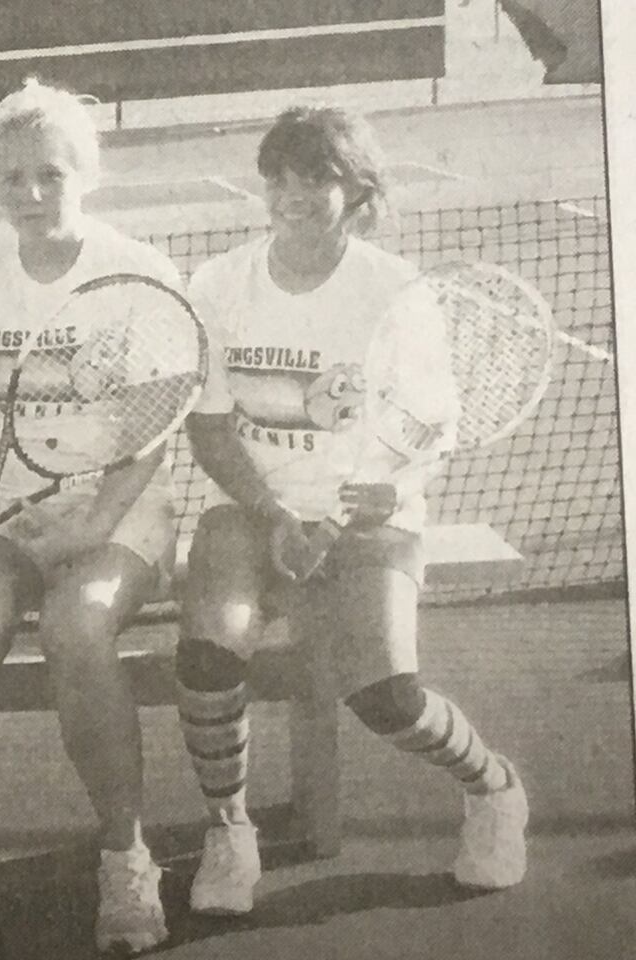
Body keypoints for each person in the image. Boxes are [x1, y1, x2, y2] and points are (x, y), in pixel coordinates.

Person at [174, 105, 528, 917]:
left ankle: (494, 787)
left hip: (376, 519)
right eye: (281, 177)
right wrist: (273, 515)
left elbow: (428, 427)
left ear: (356, 190)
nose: (294, 194)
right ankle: (229, 830)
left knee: (385, 694)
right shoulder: (220, 284)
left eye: (317, 178)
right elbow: (210, 426)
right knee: (206, 656)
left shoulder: (396, 293)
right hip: (251, 512)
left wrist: (385, 491)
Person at [0, 79, 180, 954]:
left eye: (49, 174)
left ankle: (126, 861)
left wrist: (93, 527)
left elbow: (153, 429)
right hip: (8, 516)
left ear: (85, 171)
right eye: (11, 178)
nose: (31, 195)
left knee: (77, 627)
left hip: (117, 513)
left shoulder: (138, 274)